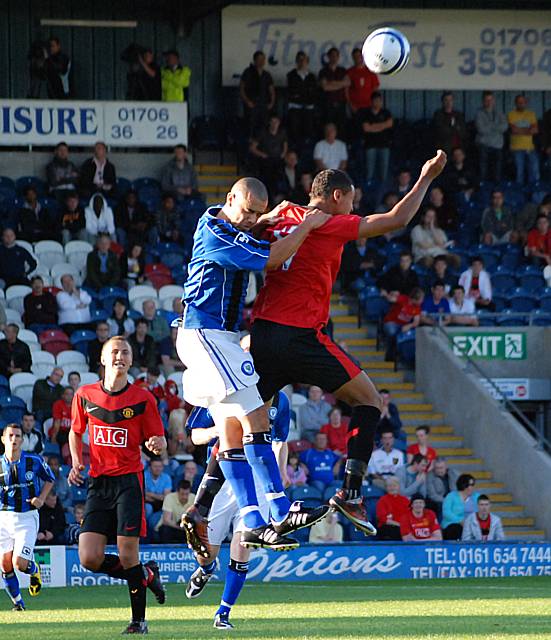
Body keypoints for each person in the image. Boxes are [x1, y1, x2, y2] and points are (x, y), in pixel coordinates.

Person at [249, 154, 446, 536]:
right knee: (371, 401)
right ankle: (351, 491)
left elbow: (251, 235)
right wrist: (424, 178)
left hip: (262, 335)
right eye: (351, 201)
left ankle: (207, 508)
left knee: (242, 430)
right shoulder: (332, 223)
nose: (353, 208)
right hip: (301, 337)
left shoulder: (284, 212)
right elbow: (396, 220)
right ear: (336, 196)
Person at [176, 177, 331, 553]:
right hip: (206, 335)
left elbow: (248, 234)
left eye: (257, 214)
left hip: (218, 338)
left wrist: (263, 221)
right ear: (229, 197)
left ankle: (253, 519)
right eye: (247, 211)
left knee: (232, 430)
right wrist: (307, 225)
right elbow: (271, 258)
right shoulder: (214, 231)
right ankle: (278, 508)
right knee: (257, 415)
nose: (251, 220)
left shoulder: (222, 223)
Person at [68, 335, 167, 634]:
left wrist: (158, 444)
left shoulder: (143, 398)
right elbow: (75, 431)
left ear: (131, 360)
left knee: (127, 555)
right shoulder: (84, 395)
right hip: (98, 483)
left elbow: (158, 442)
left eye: (125, 352)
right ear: (102, 358)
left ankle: (139, 622)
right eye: (114, 352)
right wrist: (76, 461)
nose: (119, 356)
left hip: (129, 483)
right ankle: (146, 575)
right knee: (89, 557)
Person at [182, 388, 292, 630]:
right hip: (224, 478)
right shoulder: (222, 388)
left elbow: (280, 440)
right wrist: (217, 431)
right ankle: (206, 567)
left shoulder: (280, 399)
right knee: (206, 550)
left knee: (244, 546)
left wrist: (282, 471)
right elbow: (195, 436)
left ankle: (223, 612)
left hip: (258, 482)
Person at [0, 424, 54, 610]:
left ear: (22, 440)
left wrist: (41, 499)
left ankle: (34, 569)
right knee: (6, 565)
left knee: (19, 563)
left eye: (17, 436)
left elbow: (50, 478)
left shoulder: (34, 461)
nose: (14, 439)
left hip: (26, 517)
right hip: (4, 517)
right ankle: (18, 604)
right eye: (10, 436)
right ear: (3, 439)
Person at [249, 115, 288, 199]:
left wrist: (283, 154)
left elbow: (285, 145)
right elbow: (252, 148)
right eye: (273, 122)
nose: (274, 124)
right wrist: (262, 155)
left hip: (278, 161)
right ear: (269, 123)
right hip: (266, 161)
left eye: (276, 122)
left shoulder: (282, 133)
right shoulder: (263, 133)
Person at [382, 287, 424, 360]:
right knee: (392, 332)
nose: (422, 301)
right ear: (415, 298)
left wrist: (409, 325)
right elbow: (391, 299)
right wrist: (387, 294)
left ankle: (399, 353)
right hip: (391, 322)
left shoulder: (417, 307)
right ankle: (391, 354)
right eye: (421, 299)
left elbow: (416, 322)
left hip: (403, 326)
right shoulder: (404, 299)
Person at [475, 91, 508, 183]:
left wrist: (489, 126)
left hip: (497, 145)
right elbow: (481, 129)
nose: (488, 102)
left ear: (493, 101)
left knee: (497, 170)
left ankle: (496, 189)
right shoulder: (479, 113)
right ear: (483, 101)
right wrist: (496, 127)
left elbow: (505, 126)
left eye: (490, 100)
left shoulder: (500, 112)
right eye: (486, 100)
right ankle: (483, 186)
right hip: (484, 145)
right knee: (483, 170)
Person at [240, 51, 275, 135]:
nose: (262, 62)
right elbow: (241, 89)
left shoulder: (267, 75)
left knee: (264, 126)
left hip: (263, 104)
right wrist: (247, 101)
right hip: (252, 104)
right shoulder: (247, 72)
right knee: (250, 127)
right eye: (259, 59)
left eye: (263, 59)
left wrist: (272, 103)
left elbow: (272, 91)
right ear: (255, 60)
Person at [286, 51, 317, 143]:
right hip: (295, 107)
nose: (301, 62)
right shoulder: (291, 75)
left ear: (307, 61)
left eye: (303, 60)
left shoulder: (311, 76)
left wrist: (303, 95)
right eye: (299, 60)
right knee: (295, 130)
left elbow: (313, 92)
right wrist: (303, 94)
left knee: (308, 130)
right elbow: (292, 91)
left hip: (308, 107)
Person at [361, 91, 393, 182]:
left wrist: (373, 127)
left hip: (384, 145)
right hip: (370, 145)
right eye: (375, 100)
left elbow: (389, 124)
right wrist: (382, 126)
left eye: (379, 100)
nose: (377, 102)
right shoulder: (366, 113)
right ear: (371, 101)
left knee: (384, 171)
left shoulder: (386, 112)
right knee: (369, 170)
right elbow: (366, 128)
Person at [508, 94, 540, 185]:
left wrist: (520, 130)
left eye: (523, 102)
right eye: (519, 102)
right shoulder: (511, 114)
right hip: (516, 148)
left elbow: (535, 130)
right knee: (519, 173)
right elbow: (513, 130)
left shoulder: (531, 114)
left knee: (534, 171)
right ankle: (519, 194)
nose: (521, 104)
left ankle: (535, 192)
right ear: (515, 103)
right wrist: (528, 130)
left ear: (526, 103)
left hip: (530, 148)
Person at [318, 47, 349, 134]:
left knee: (341, 128)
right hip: (328, 104)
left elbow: (347, 83)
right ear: (328, 57)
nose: (334, 58)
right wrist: (341, 84)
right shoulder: (323, 71)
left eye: (336, 56)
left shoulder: (342, 70)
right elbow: (325, 87)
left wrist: (331, 83)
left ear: (338, 57)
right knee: (328, 127)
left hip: (341, 104)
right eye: (332, 56)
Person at [441, 473, 479, 540]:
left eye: (473, 485)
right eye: (471, 485)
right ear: (464, 485)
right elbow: (446, 512)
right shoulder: (451, 496)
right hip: (452, 524)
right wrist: (460, 521)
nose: (473, 487)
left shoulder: (476, 496)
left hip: (471, 524)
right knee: (455, 529)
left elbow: (480, 511)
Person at [345, 47, 379, 116]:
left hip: (369, 105)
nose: (357, 58)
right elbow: (346, 90)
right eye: (355, 56)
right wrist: (350, 104)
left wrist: (375, 104)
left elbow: (375, 89)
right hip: (355, 106)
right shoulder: (349, 72)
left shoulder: (370, 71)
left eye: (359, 56)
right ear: (353, 58)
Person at [432, 91, 467, 156]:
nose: (448, 103)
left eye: (450, 100)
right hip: (444, 146)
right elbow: (441, 131)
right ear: (442, 102)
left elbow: (463, 131)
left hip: (458, 146)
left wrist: (452, 128)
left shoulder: (458, 115)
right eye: (446, 100)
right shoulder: (438, 115)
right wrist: (454, 128)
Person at [375, 476, 410, 540]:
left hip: (403, 527)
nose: (392, 488)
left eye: (394, 485)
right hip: (388, 527)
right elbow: (382, 518)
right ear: (386, 488)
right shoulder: (382, 500)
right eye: (389, 486)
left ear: (398, 487)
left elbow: (410, 515)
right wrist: (399, 524)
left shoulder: (405, 500)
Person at [50, 386, 74, 461]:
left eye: (71, 394)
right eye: (67, 394)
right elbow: (57, 422)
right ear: (62, 395)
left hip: (71, 431)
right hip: (60, 431)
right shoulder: (58, 404)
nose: (69, 396)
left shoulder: (76, 404)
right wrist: (54, 437)